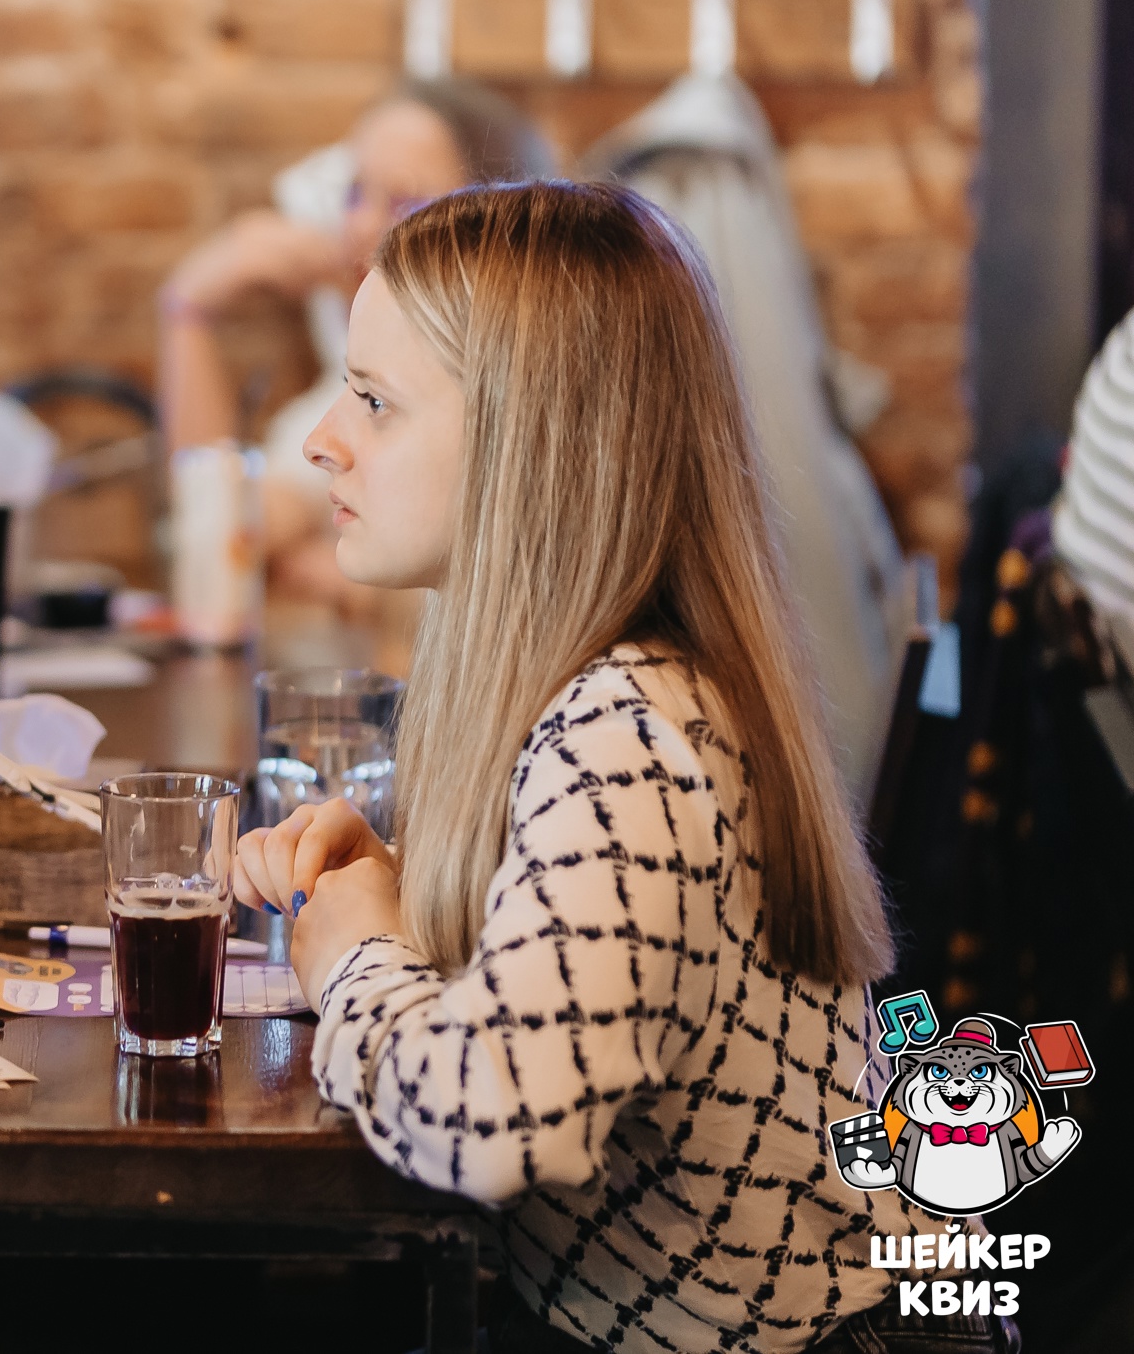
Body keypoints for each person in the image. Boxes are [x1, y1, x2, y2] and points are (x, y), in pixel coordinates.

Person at [234, 182, 967, 1352]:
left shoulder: (628, 732)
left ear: (533, 439)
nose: (325, 436)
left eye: (374, 400)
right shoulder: (590, 687)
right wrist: (404, 892)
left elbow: (495, 1127)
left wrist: (359, 957)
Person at [157, 78, 551, 604]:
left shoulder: (518, 406)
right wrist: (187, 309)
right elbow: (224, 531)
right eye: (355, 193)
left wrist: (350, 581)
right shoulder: (353, 393)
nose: (361, 225)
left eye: (404, 202)